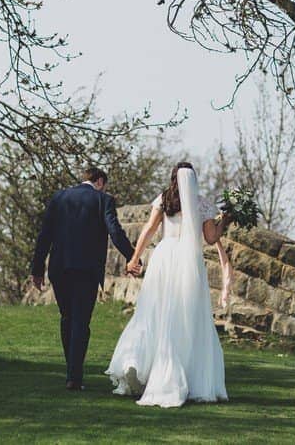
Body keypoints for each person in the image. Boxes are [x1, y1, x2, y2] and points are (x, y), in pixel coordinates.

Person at [105, 161, 231, 407]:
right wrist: (225, 220)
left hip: (164, 257)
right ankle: (190, 376)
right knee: (188, 315)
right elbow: (211, 237)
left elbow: (149, 230)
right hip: (189, 261)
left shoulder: (163, 199)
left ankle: (140, 364)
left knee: (154, 311)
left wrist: (134, 258)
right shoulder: (201, 203)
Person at [31, 166, 138, 390]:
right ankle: (74, 377)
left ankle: (72, 371)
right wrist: (133, 256)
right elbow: (115, 232)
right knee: (80, 321)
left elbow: (45, 235)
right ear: (99, 181)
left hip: (59, 267)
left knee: (66, 317)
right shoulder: (103, 200)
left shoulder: (59, 198)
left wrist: (37, 268)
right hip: (86, 268)